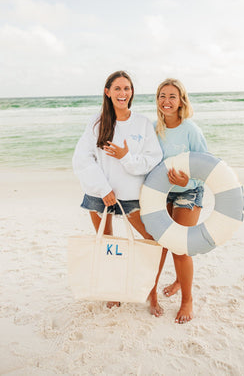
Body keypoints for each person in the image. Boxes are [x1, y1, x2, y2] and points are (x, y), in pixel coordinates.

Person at [72, 70, 164, 313]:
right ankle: (113, 291)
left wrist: (126, 158)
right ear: (108, 92)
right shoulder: (97, 122)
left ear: (131, 92)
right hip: (100, 194)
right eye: (117, 89)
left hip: (131, 196)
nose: (122, 93)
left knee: (150, 242)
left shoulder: (142, 123)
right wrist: (103, 189)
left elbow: (153, 159)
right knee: (108, 244)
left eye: (126, 89)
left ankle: (151, 293)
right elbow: (82, 159)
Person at [153, 78, 208, 324]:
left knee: (179, 247)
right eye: (162, 95)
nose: (167, 100)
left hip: (190, 190)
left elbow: (205, 166)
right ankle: (152, 291)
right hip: (162, 192)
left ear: (181, 100)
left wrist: (187, 181)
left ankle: (187, 300)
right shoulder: (155, 129)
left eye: (172, 96)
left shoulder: (191, 129)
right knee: (159, 244)